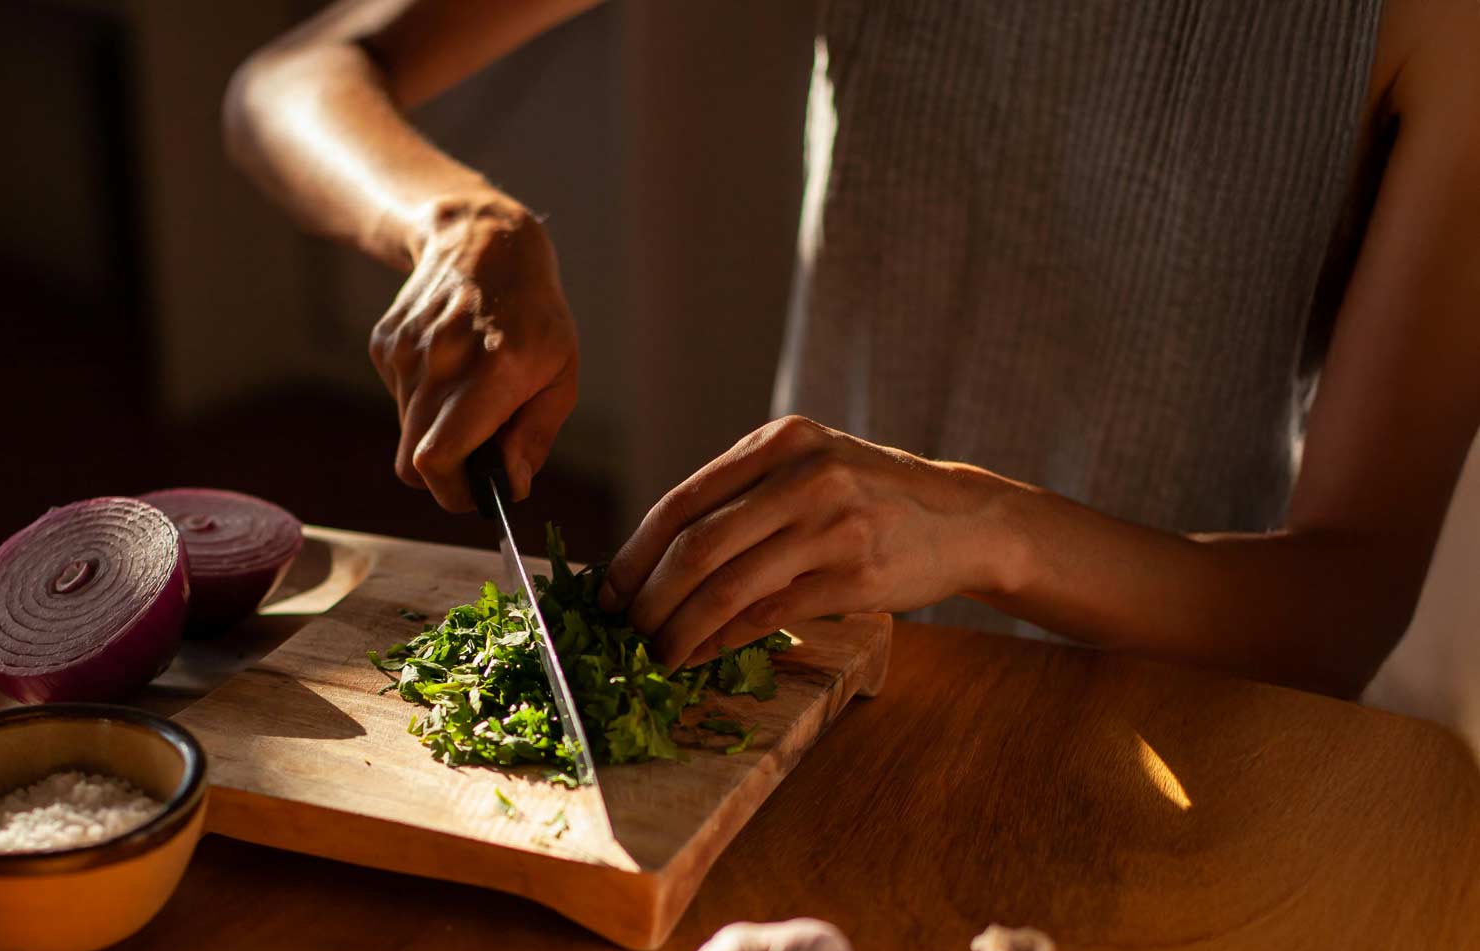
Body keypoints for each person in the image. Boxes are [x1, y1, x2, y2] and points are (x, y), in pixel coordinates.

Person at [223, 0, 1480, 697]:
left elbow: (1343, 606)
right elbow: (294, 79)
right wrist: (455, 223)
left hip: (1181, 730)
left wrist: (988, 530)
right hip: (804, 687)